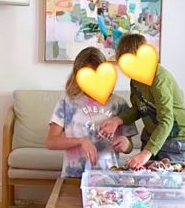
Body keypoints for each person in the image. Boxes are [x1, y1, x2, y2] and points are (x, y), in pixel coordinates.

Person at [100, 33, 185, 167]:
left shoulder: (159, 80)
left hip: (174, 137)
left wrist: (145, 153)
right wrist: (117, 120)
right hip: (151, 134)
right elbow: (139, 109)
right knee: (145, 176)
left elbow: (167, 120)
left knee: (167, 180)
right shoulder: (135, 80)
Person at [46, 47, 137, 178]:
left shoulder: (119, 104)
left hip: (108, 177)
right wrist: (81, 141)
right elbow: (51, 142)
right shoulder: (67, 102)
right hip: (73, 176)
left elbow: (129, 147)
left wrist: (125, 144)